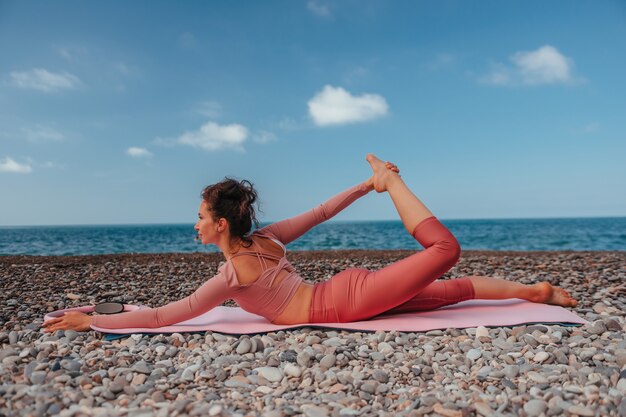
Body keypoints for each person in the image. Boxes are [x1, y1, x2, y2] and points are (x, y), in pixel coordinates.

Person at [42, 154, 577, 333]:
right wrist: (360, 186)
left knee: (445, 253)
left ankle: (395, 186)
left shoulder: (234, 275)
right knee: (452, 290)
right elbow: (323, 213)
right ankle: (536, 292)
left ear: (221, 225)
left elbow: (165, 317)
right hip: (346, 295)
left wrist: (94, 322)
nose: (196, 225)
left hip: (344, 301)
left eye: (200, 217)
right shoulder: (265, 241)